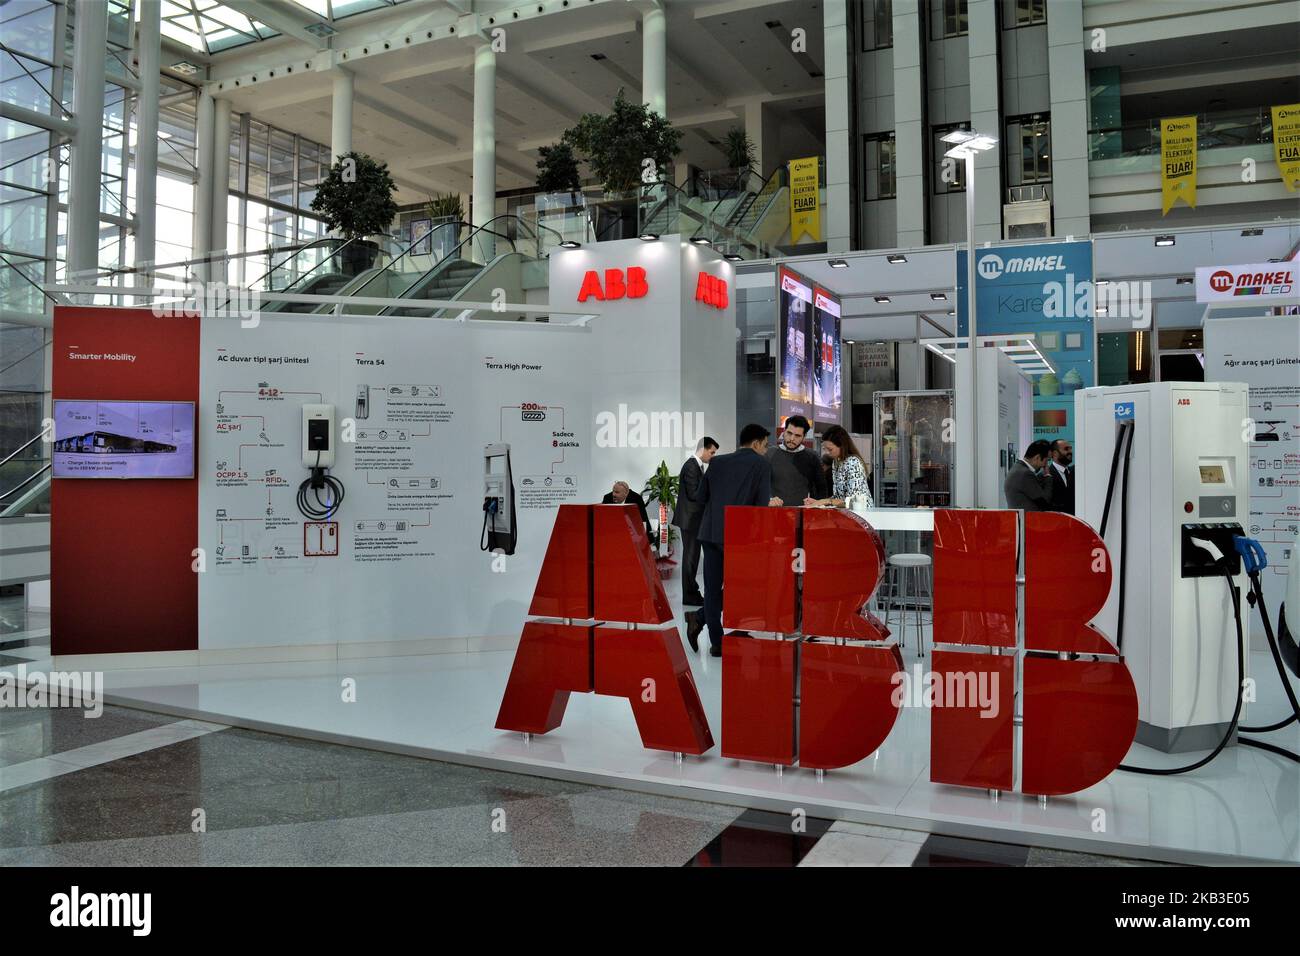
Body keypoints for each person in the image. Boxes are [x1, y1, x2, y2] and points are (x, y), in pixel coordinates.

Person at [687, 424, 783, 656]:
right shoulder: (761, 464)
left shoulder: (717, 462)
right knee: (742, 586)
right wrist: (771, 504)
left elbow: (700, 497)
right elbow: (761, 505)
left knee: (712, 588)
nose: (766, 449)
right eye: (765, 445)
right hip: (741, 536)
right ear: (757, 443)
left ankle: (715, 640)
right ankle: (725, 627)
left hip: (711, 533)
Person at [672, 437, 719, 607]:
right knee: (691, 558)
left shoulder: (695, 466)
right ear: (704, 449)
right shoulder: (692, 466)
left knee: (692, 558)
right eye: (712, 452)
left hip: (693, 520)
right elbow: (694, 494)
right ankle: (690, 595)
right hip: (690, 520)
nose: (712, 456)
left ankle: (692, 593)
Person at [803, 425, 873, 508]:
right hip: (847, 513)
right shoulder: (836, 462)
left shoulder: (853, 462)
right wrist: (819, 502)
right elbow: (839, 498)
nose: (827, 453)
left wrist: (825, 501)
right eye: (825, 449)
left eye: (830, 449)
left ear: (842, 446)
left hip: (862, 514)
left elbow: (854, 501)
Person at [766, 415, 828, 507]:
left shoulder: (812, 457)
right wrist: (769, 499)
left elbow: (821, 488)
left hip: (802, 512)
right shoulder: (769, 454)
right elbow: (760, 484)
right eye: (789, 433)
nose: (791, 439)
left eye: (797, 436)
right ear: (784, 431)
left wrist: (817, 504)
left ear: (804, 436)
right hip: (775, 512)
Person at [1004, 439, 1053, 511]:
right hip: (1028, 520)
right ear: (1037, 458)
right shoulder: (1025, 474)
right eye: (1047, 460)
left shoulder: (1018, 469)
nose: (1046, 465)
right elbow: (1044, 502)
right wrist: (1048, 476)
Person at [1046, 439, 1075, 515]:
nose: (1070, 452)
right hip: (1056, 522)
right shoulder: (1045, 475)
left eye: (1070, 449)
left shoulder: (1076, 472)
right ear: (1055, 453)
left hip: (1076, 521)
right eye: (1066, 449)